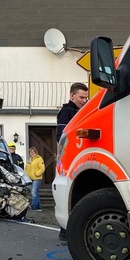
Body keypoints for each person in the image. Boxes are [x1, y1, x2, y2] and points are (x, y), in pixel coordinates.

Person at [56, 82, 89, 241]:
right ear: (72, 96)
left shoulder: (83, 111)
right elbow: (60, 137)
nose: (84, 100)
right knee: (71, 193)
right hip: (70, 159)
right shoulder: (66, 112)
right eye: (81, 97)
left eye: (86, 97)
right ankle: (64, 231)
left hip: (80, 157)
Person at [25, 146, 45, 212]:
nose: (32, 153)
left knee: (34, 193)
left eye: (33, 152)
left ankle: (33, 207)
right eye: (31, 152)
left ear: (36, 152)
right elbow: (26, 169)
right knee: (35, 193)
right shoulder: (29, 160)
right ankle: (38, 207)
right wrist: (25, 176)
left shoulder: (39, 158)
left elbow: (42, 168)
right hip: (30, 179)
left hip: (37, 178)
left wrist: (37, 174)